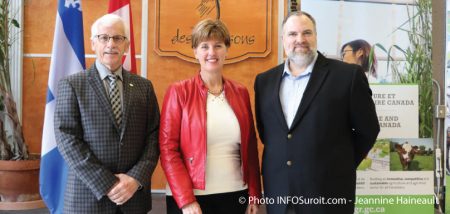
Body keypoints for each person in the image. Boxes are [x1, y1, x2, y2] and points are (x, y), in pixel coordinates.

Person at [254, 11, 380, 214]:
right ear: (283, 39)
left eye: (307, 33)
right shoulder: (264, 81)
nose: (300, 40)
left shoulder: (347, 76)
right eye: (292, 34)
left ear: (316, 36)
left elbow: (369, 130)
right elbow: (268, 133)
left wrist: (339, 163)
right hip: (279, 197)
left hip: (328, 194)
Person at [54, 14, 160, 213]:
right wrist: (107, 183)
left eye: (118, 38)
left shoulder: (143, 87)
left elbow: (154, 136)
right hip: (87, 199)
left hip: (133, 198)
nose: (111, 44)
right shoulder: (72, 85)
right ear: (93, 43)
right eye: (104, 38)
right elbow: (67, 139)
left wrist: (135, 178)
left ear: (126, 46)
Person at [159, 19, 261, 214]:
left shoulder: (241, 92)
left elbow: (250, 147)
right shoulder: (178, 92)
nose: (211, 53)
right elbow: (168, 150)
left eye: (218, 46)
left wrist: (254, 195)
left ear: (227, 50)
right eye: (204, 46)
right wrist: (186, 200)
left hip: (236, 194)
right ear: (195, 51)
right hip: (190, 199)